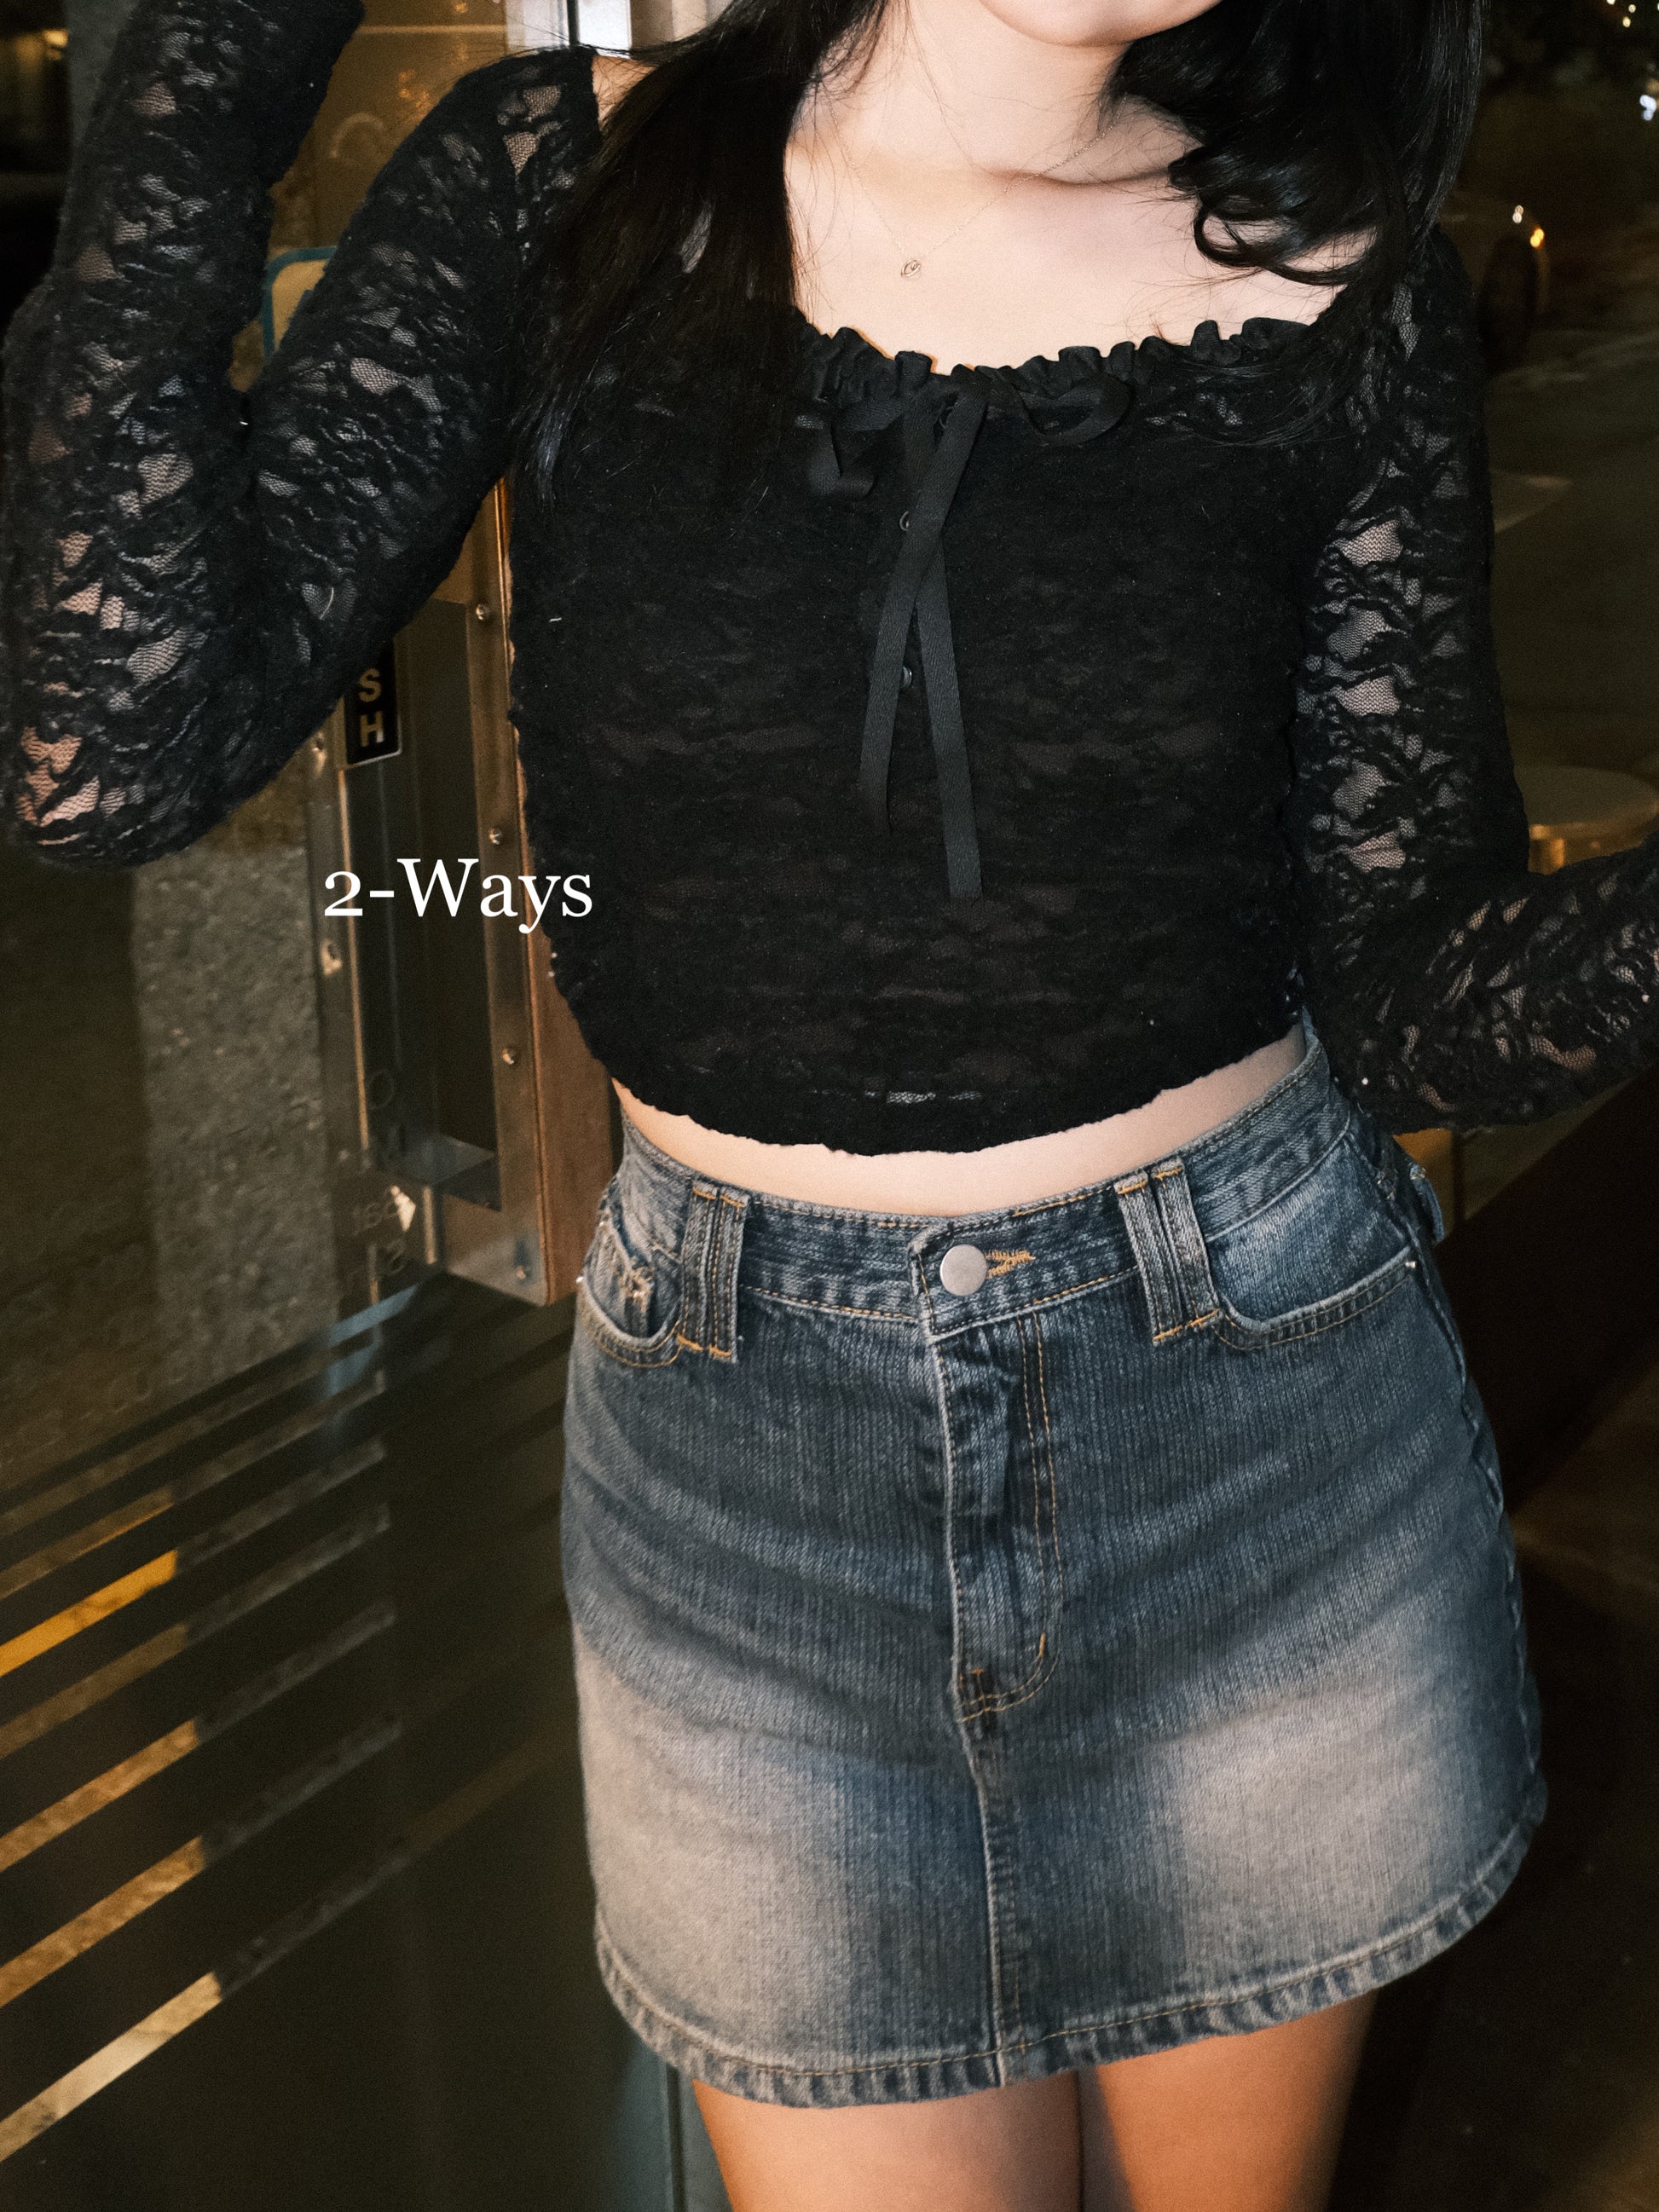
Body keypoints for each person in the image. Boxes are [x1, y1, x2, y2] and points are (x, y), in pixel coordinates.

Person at [6, 0, 1659, 2203]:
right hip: (742, 1479)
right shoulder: (566, 191)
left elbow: (1416, 998)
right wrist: (218, 51)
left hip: (1256, 1443)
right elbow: (109, 748)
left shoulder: (1336, 286)